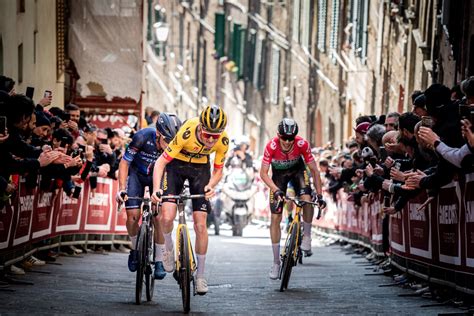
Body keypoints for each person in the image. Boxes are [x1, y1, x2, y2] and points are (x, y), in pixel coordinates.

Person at [151, 104, 229, 295]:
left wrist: (211, 185)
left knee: (201, 225)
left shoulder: (223, 140)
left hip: (200, 171)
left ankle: (200, 276)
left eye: (215, 136)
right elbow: (161, 161)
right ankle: (168, 250)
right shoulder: (187, 131)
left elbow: (219, 169)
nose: (211, 140)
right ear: (200, 127)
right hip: (176, 167)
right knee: (167, 217)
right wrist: (156, 189)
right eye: (207, 134)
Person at [116, 113, 182, 280]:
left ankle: (159, 259)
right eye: (167, 141)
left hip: (159, 178)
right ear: (158, 135)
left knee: (159, 217)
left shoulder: (174, 146)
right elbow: (125, 163)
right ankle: (135, 249)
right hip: (137, 175)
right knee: (132, 216)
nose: (169, 147)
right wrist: (122, 188)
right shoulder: (142, 137)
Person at [259, 118, 326, 280]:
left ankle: (307, 236)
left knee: (307, 198)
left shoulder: (302, 144)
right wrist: (275, 190)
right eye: (284, 138)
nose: (288, 142)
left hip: (298, 172)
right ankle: (276, 262)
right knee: (275, 218)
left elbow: (315, 171)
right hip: (279, 177)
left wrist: (319, 193)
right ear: (278, 135)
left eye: (291, 138)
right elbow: (263, 173)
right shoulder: (271, 146)